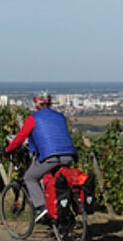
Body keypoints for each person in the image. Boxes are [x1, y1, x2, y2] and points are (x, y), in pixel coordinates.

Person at [5, 91, 77, 220]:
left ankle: (42, 207)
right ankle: (62, 211)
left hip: (50, 156)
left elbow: (20, 138)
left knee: (30, 177)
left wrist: (8, 149)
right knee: (56, 181)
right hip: (68, 155)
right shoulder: (60, 116)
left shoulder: (33, 118)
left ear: (37, 105)